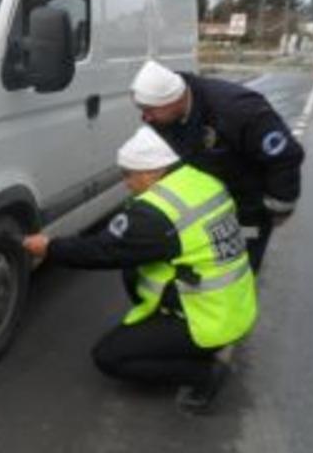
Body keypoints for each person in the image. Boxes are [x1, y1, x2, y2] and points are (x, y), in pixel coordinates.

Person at [23, 126, 258, 414]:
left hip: (208, 318)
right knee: (137, 268)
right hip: (234, 304)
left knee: (109, 357)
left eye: (128, 175)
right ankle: (179, 336)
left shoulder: (155, 214)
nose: (126, 183)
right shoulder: (201, 181)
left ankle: (203, 374)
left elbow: (101, 251)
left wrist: (49, 247)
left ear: (153, 173)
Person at [130, 60, 305, 272]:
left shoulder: (239, 110)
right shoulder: (163, 116)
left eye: (149, 109)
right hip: (204, 204)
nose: (145, 117)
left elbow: (285, 156)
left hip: (247, 206)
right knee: (204, 267)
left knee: (240, 266)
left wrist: (280, 206)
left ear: (173, 100)